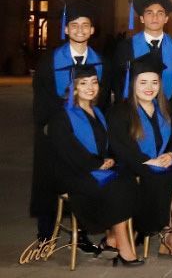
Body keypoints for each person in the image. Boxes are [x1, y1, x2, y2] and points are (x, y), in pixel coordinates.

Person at [30, 0, 106, 249]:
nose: (80, 30)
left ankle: (81, 233)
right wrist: (54, 125)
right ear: (66, 29)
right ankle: (45, 234)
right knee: (48, 182)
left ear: (92, 30)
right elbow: (41, 96)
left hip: (86, 132)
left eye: (86, 25)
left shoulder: (100, 62)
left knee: (83, 176)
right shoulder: (50, 61)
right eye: (75, 25)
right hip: (55, 131)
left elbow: (103, 99)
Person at [49, 64, 142, 266]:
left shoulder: (97, 112)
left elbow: (106, 144)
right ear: (73, 87)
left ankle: (111, 239)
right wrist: (97, 163)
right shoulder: (61, 116)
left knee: (129, 180)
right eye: (83, 83)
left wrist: (109, 159)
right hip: (71, 174)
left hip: (96, 170)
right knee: (117, 188)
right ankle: (122, 247)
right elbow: (67, 151)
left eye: (94, 82)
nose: (90, 87)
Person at [108, 56, 172, 259]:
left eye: (154, 82)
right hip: (131, 165)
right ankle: (146, 228)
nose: (149, 87)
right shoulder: (120, 111)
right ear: (133, 84)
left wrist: (171, 154)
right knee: (157, 177)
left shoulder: (165, 108)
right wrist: (147, 161)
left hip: (159, 165)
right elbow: (120, 146)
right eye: (143, 82)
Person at [113, 0, 172, 102]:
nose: (155, 17)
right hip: (134, 111)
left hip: (171, 111)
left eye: (160, 13)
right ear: (142, 19)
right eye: (149, 13)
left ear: (166, 19)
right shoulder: (125, 48)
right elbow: (119, 83)